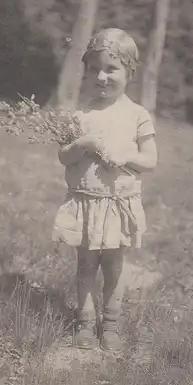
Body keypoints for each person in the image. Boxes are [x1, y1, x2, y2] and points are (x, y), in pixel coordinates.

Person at [53, 28, 158, 353]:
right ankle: (84, 322)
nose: (101, 77)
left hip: (117, 204)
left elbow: (150, 160)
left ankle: (110, 323)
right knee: (85, 264)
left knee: (114, 265)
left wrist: (127, 156)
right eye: (94, 68)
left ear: (130, 71)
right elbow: (63, 156)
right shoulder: (80, 115)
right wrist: (82, 144)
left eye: (111, 69)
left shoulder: (137, 115)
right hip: (86, 202)